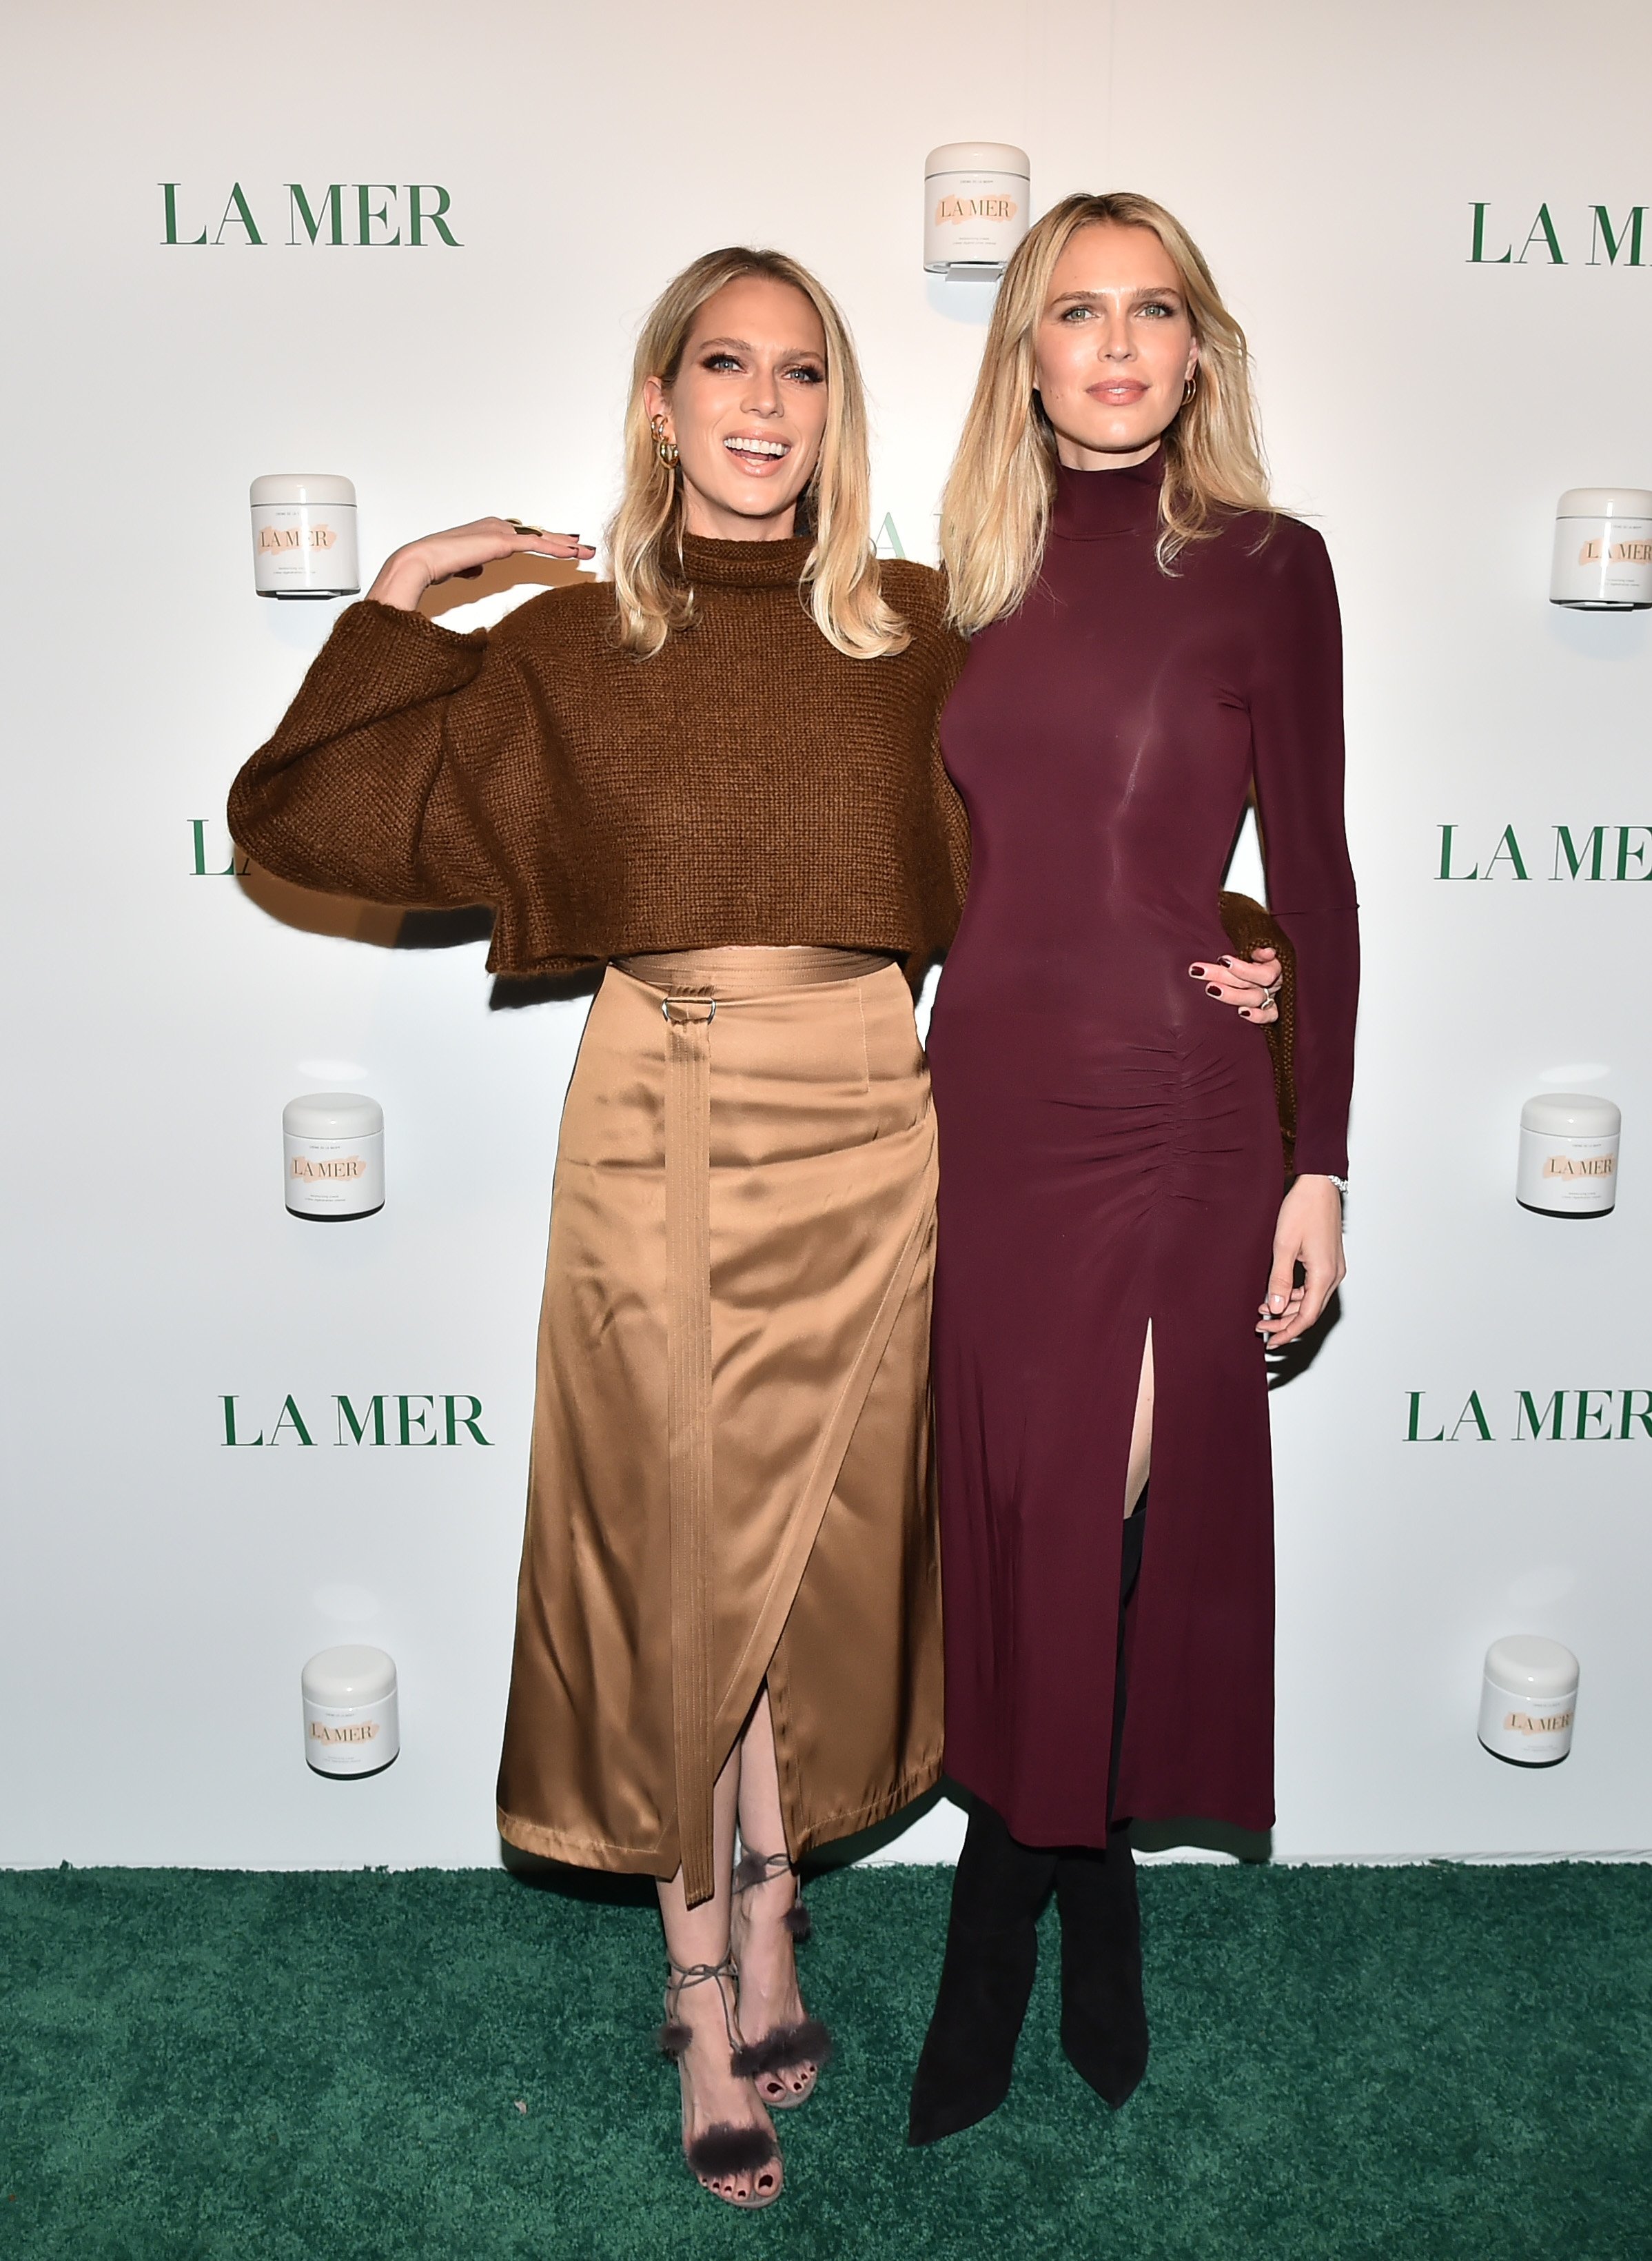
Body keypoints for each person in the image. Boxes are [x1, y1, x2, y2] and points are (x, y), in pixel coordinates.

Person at [227, 239, 1278, 2208]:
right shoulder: (563, 649)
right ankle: (699, 1981)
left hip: (877, 1118)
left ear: (835, 410)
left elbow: (1073, 846)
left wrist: (1246, 947)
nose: (763, 404)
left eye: (801, 372)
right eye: (725, 365)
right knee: (683, 1547)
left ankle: (780, 1906)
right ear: (661, 400)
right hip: (658, 1113)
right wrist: (395, 604)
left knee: (819, 1549)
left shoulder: (907, 627)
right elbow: (305, 820)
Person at [909, 192, 1358, 2143]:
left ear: (1199, 350)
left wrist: (1319, 1158)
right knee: (1014, 1523)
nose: (1113, 345)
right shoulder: (953, 594)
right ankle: (1078, 1897)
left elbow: (1316, 867)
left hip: (1179, 1112)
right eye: (1073, 312)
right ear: (1025, 353)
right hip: (987, 1109)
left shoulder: (1272, 567)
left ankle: (1009, 1920)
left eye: (1150, 311)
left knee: (1107, 1517)